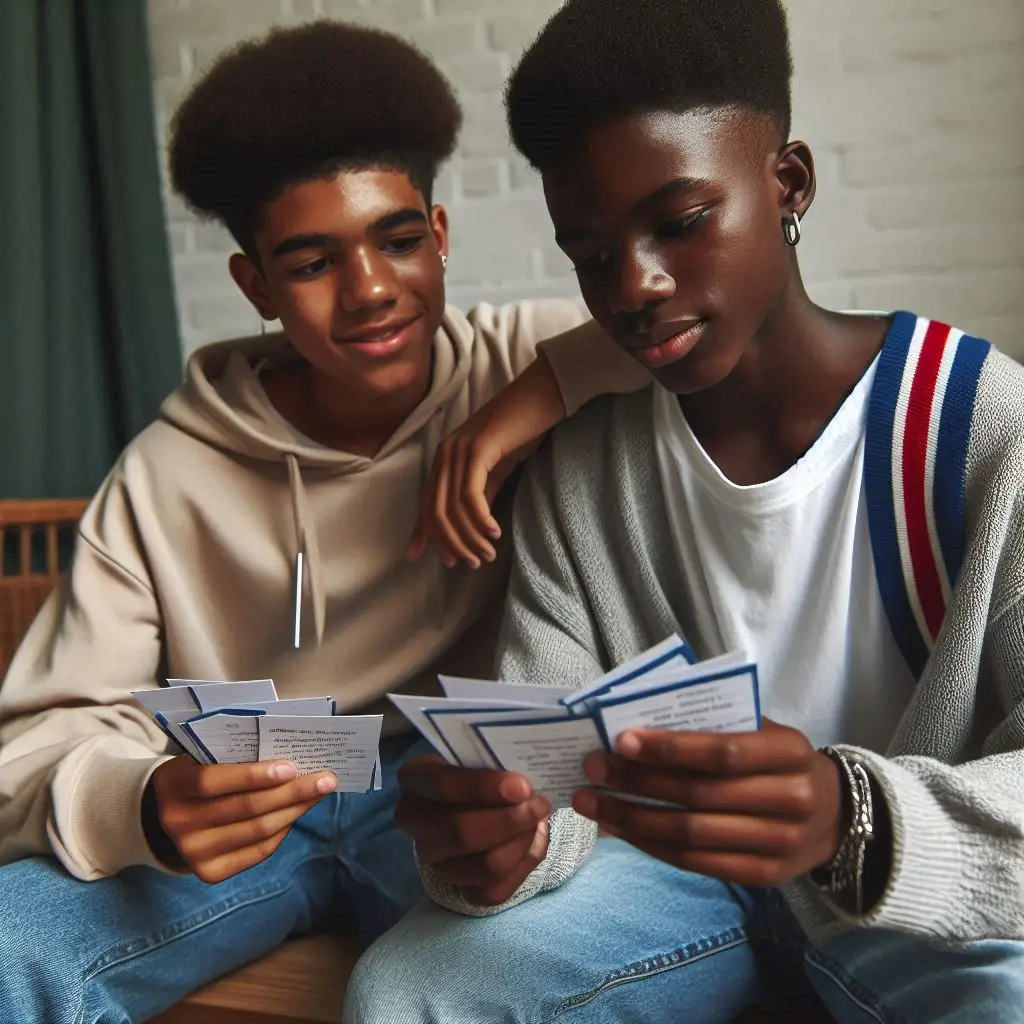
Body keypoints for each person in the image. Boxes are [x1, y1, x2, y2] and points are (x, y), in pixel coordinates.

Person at [345, 1, 1024, 1021]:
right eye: (589, 248)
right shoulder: (584, 472)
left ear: (786, 182)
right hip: (665, 887)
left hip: (910, 894)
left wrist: (848, 816)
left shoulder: (981, 427)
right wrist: (503, 839)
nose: (636, 283)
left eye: (680, 220)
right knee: (407, 987)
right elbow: (552, 761)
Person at [0, 21, 642, 1023]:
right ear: (255, 285)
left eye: (395, 241)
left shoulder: (524, 357)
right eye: (310, 264)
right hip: (250, 802)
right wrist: (146, 803)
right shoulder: (165, 473)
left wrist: (520, 407)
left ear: (438, 232)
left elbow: (705, 313)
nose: (371, 291)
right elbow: (33, 743)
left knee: (541, 964)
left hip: (446, 794)